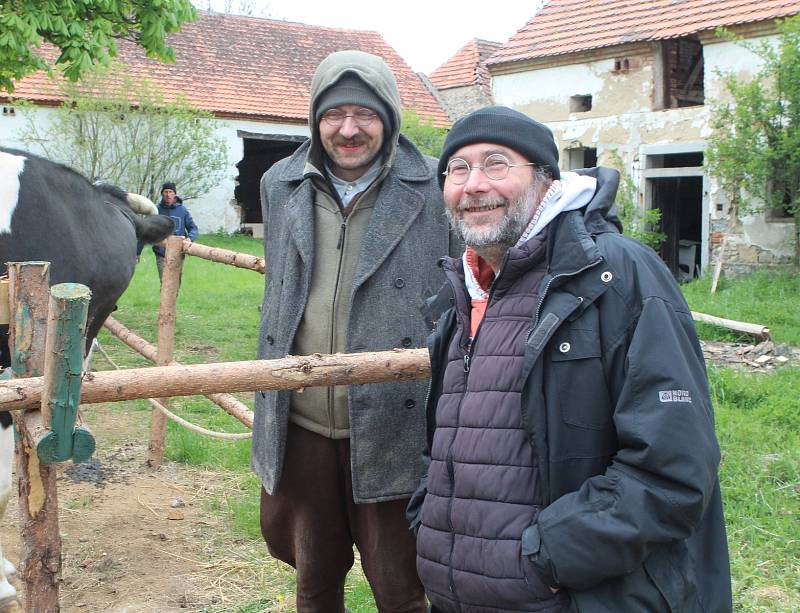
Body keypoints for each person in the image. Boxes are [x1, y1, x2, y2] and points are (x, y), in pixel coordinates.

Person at [407, 106, 732, 612]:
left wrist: (547, 558)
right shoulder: (465, 293)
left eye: (496, 164)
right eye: (458, 169)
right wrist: (429, 520)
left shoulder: (614, 276)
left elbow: (673, 469)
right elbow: (454, 439)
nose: (473, 185)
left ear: (544, 180)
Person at [253, 50, 455, 612]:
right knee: (314, 583)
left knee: (402, 585)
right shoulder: (281, 182)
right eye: (334, 114)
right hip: (302, 423)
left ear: (388, 117)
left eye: (364, 114)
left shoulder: (436, 187)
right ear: (316, 120)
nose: (348, 129)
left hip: (399, 422)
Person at [153, 182, 197, 280]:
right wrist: (137, 252)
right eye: (166, 192)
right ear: (162, 194)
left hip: (178, 253)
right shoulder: (156, 210)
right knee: (165, 282)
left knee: (176, 283)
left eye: (170, 192)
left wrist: (190, 239)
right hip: (161, 253)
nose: (168, 194)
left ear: (174, 194)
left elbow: (193, 228)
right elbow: (147, 230)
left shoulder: (182, 211)